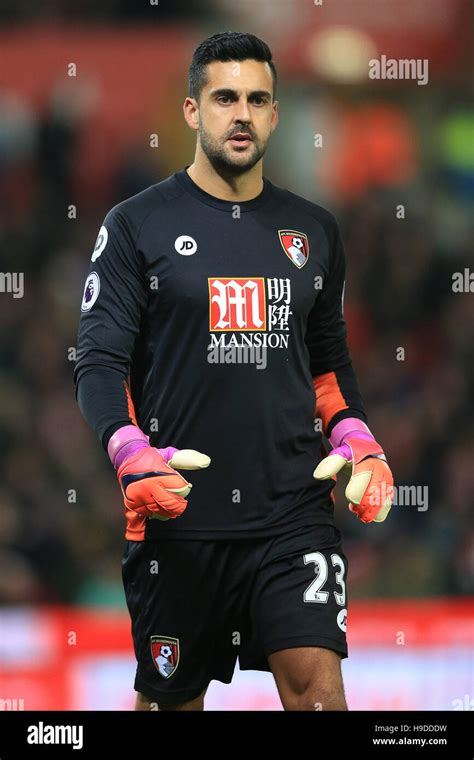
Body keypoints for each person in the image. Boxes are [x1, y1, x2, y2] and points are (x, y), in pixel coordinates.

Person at [74, 31, 393, 712]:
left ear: (277, 115)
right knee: (167, 705)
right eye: (224, 98)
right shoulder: (136, 226)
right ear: (192, 111)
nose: (241, 113)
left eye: (257, 99)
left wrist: (358, 439)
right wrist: (129, 453)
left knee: (320, 690)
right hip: (181, 516)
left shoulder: (313, 231)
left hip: (292, 511)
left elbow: (328, 365)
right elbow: (98, 362)